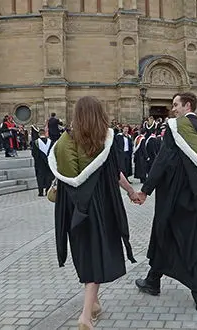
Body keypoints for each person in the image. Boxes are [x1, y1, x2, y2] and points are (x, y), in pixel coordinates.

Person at [49, 96, 138, 330]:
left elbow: (68, 180)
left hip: (73, 210)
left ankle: (95, 305)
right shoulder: (103, 141)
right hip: (100, 208)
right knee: (96, 259)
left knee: (86, 256)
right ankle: (85, 316)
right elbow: (116, 174)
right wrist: (131, 192)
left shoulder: (63, 143)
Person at [135, 92, 197, 312]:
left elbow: (162, 161)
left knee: (165, 234)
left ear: (187, 105)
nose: (172, 109)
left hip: (176, 199)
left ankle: (154, 281)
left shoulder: (175, 128)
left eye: (176, 105)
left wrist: (145, 190)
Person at [31, 129, 54, 196]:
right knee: (48, 177)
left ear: (39, 134)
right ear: (45, 133)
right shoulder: (51, 142)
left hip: (39, 164)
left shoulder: (35, 143)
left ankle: (40, 192)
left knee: (40, 177)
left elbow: (34, 154)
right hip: (48, 163)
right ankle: (47, 191)